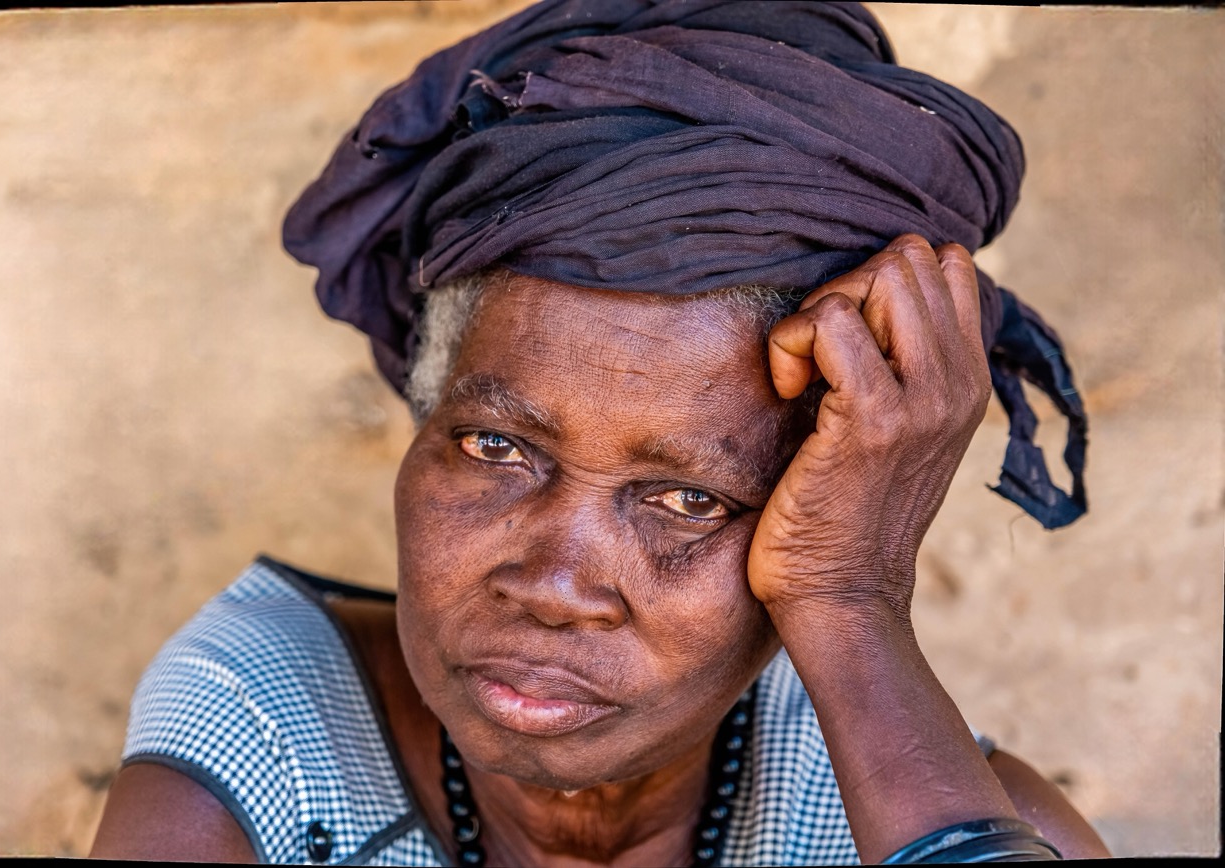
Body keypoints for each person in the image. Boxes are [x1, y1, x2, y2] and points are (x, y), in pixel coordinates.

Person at [91, 1, 1110, 864]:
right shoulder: (261, 741)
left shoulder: (916, 796)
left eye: (688, 499)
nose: (553, 586)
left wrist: (849, 601)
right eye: (495, 447)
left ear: (828, 510)